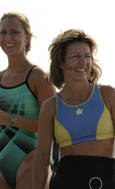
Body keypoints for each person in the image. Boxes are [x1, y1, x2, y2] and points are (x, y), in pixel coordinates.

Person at [33, 29, 115, 189]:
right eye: (75, 57)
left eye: (87, 56)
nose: (83, 62)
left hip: (105, 182)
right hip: (65, 183)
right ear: (60, 62)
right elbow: (42, 157)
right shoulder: (51, 106)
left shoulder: (109, 95)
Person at [0, 12, 56, 189]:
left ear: (27, 37)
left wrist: (11, 120)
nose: (8, 38)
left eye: (14, 32)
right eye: (3, 32)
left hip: (31, 162)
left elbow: (54, 124)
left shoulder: (39, 77)